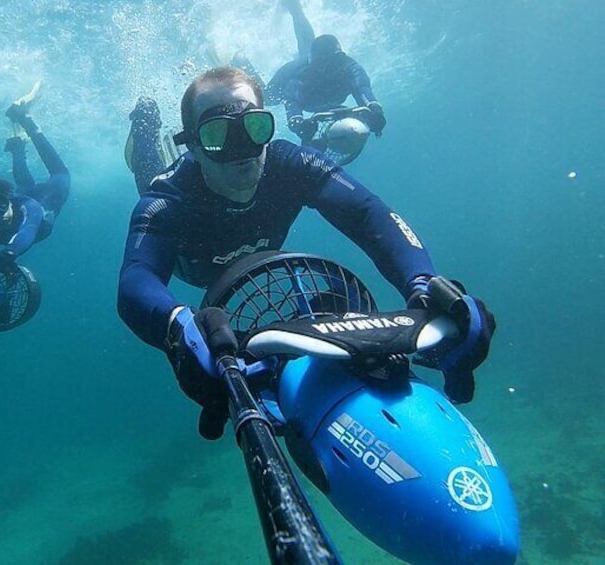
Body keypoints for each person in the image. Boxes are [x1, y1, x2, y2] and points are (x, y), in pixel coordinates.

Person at [117, 66, 494, 440]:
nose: (241, 151)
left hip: (237, 260)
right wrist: (176, 327)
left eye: (254, 127)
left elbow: (368, 214)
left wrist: (423, 283)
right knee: (149, 165)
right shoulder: (168, 198)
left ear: (269, 129)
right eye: (217, 134)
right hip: (193, 267)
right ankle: (145, 123)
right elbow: (137, 280)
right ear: (195, 146)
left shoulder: (289, 163)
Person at [0, 82, 70, 272]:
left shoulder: (30, 208)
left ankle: (26, 120)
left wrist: (9, 253)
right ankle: (17, 147)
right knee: (24, 183)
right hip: (27, 192)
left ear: (8, 198)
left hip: (49, 194)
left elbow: (29, 229)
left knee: (59, 174)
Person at [250, 0, 387, 146]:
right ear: (316, 64)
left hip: (311, 61)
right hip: (292, 71)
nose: (333, 66)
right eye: (326, 62)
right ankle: (240, 59)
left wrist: (374, 110)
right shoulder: (299, 77)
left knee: (308, 44)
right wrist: (299, 124)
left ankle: (295, 8)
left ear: (340, 56)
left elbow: (363, 90)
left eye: (336, 59)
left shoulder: (349, 67)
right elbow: (292, 107)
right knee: (266, 98)